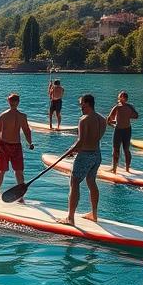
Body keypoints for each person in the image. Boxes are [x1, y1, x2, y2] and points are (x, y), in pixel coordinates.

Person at [61, 94, 107, 224]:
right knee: (91, 181)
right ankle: (94, 214)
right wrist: (76, 149)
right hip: (97, 154)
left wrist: (70, 151)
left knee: (74, 182)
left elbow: (80, 141)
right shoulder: (102, 119)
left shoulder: (84, 119)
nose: (80, 106)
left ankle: (70, 218)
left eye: (81, 104)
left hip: (85, 155)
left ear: (87, 103)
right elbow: (95, 138)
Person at [0, 93, 34, 199]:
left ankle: (19, 197)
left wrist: (30, 142)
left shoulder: (5, 115)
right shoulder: (18, 116)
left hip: (12, 146)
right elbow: (26, 131)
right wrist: (30, 143)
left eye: (13, 101)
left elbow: (26, 131)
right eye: (12, 101)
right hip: (6, 146)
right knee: (6, 171)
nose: (13, 103)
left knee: (16, 171)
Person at [106, 91, 139, 173]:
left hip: (125, 130)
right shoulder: (118, 107)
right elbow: (109, 120)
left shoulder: (125, 107)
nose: (123, 98)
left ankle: (124, 169)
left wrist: (116, 122)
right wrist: (115, 123)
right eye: (122, 97)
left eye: (124, 97)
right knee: (118, 150)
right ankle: (116, 169)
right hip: (121, 130)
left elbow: (136, 116)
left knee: (124, 150)